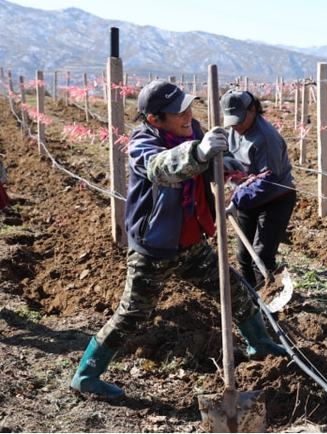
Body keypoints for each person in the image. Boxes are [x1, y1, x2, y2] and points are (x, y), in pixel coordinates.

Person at [70, 80, 286, 400]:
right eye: (178, 112)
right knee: (132, 314)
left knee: (236, 291)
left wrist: (224, 163)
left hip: (192, 242)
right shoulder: (142, 144)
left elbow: (207, 170)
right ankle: (86, 376)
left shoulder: (193, 128)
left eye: (188, 107)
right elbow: (162, 168)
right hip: (154, 249)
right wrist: (198, 151)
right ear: (155, 119)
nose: (187, 115)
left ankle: (260, 344)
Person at [219, 90, 296, 288]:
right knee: (243, 255)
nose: (235, 126)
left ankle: (268, 299)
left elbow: (268, 179)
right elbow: (229, 150)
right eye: (231, 121)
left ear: (252, 110)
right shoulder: (236, 130)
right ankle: (251, 296)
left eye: (239, 120)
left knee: (261, 256)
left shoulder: (266, 138)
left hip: (275, 200)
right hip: (248, 199)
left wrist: (236, 201)